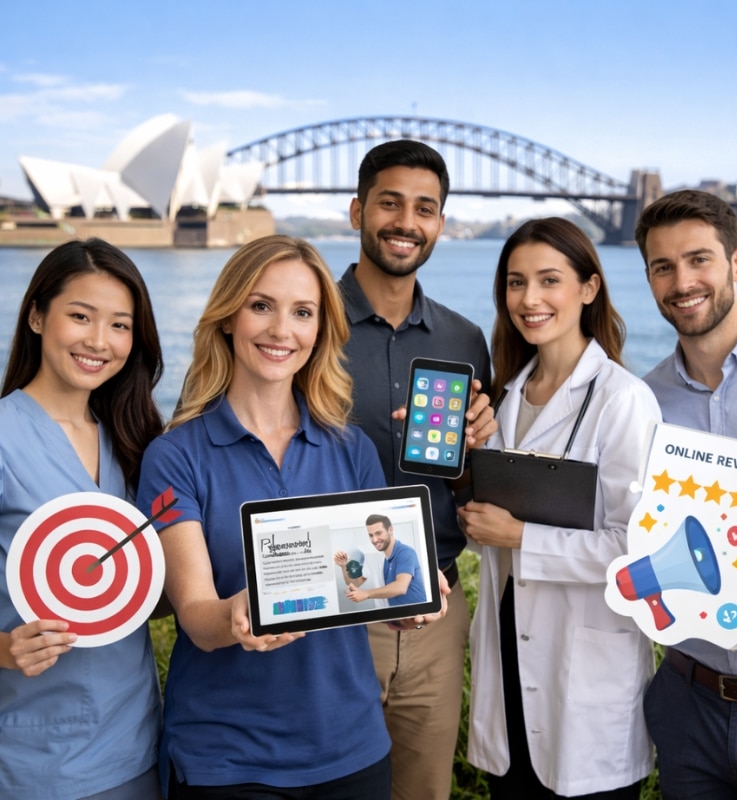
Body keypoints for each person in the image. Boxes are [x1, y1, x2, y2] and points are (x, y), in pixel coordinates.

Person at [137, 235, 443, 799]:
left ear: (320, 330)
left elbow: (366, 589)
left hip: (351, 749)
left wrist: (409, 606)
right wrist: (238, 615)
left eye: (303, 312)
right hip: (227, 761)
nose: (282, 330)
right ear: (227, 317)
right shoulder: (175, 456)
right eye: (261, 306)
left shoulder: (351, 449)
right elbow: (198, 617)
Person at [459, 217, 660, 799]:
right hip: (508, 649)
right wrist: (460, 475)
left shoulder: (623, 400)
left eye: (549, 280)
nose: (530, 299)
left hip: (586, 677)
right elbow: (485, 530)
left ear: (589, 288)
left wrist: (522, 536)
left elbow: (638, 550)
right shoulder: (503, 396)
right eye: (516, 282)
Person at [338, 138, 494, 800]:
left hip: (437, 612)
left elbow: (468, 489)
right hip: (336, 611)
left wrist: (472, 453)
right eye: (390, 203)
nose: (406, 222)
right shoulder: (305, 327)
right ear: (357, 212)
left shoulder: (465, 340)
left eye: (425, 209)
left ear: (440, 223)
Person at [635, 189, 737, 799]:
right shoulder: (643, 400)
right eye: (663, 266)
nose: (682, 283)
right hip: (689, 706)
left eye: (699, 259)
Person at [0, 238, 164, 799]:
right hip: (38, 760)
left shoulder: (134, 438)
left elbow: (148, 591)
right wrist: (3, 649)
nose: (99, 341)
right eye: (80, 316)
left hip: (139, 742)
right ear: (36, 316)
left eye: (120, 325)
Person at [341, 514, 427, 606]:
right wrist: (343, 566)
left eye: (378, 533)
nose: (374, 540)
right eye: (371, 535)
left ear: (390, 530)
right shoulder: (384, 560)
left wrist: (366, 594)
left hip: (419, 612)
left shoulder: (405, 552)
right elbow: (354, 583)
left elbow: (400, 587)